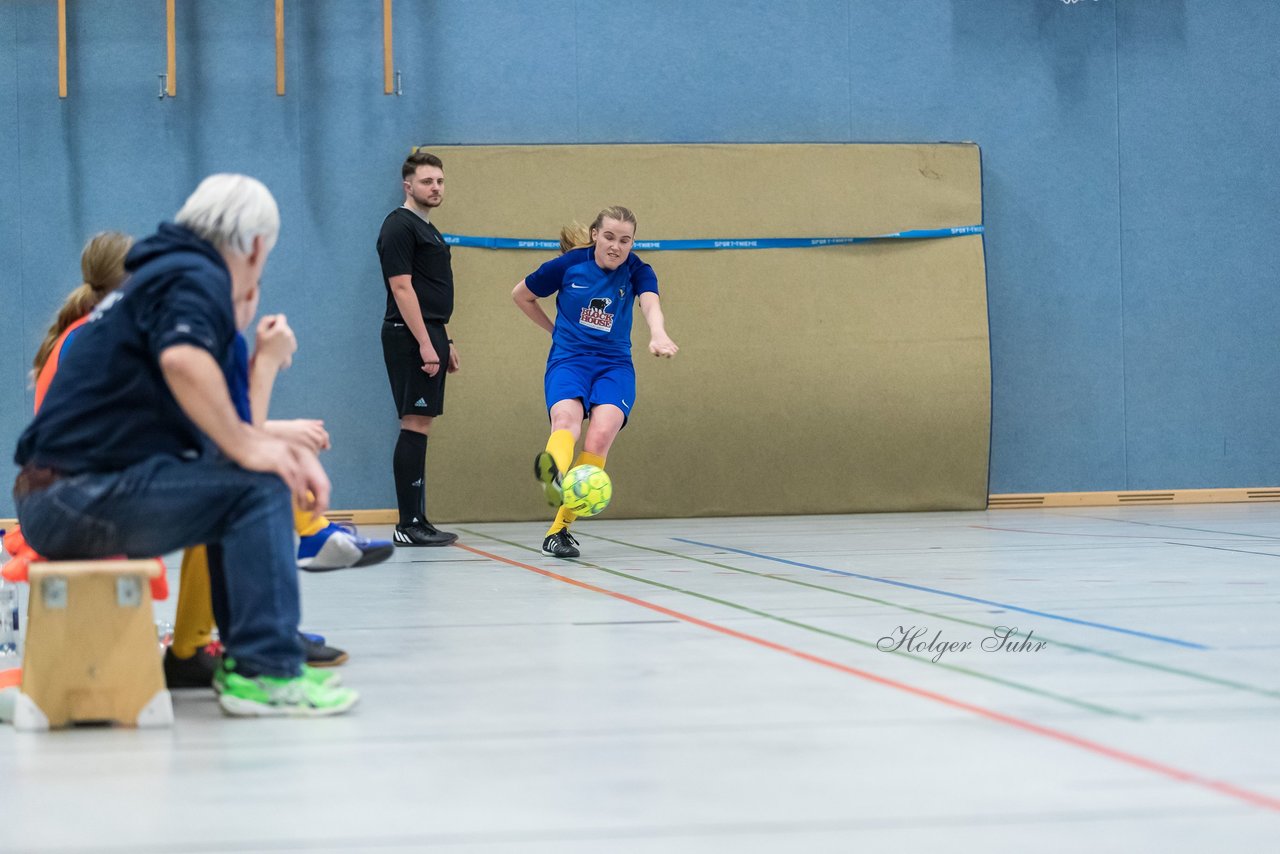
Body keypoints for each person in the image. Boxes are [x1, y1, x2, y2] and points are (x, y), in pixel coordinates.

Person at [13, 174, 359, 716]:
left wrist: (252, 424)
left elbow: (220, 429)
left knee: (242, 481)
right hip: (74, 499)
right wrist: (255, 448)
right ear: (256, 245)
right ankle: (264, 671)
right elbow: (184, 366)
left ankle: (249, 664)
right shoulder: (192, 274)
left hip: (60, 498)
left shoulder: (164, 277)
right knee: (258, 483)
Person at [511, 206, 679, 558]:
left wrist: (659, 334)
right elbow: (521, 295)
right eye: (609, 237)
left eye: (625, 240)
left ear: (632, 242)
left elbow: (650, 304)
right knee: (566, 421)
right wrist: (553, 330)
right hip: (569, 360)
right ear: (594, 235)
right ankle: (553, 471)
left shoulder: (638, 271)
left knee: (600, 436)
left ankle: (558, 531)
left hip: (614, 365)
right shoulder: (568, 265)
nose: (616, 246)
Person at [377, 149, 460, 547]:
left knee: (421, 424)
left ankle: (417, 518)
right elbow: (402, 287)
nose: (436, 187)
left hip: (431, 332)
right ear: (408, 186)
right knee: (414, 421)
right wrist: (427, 344)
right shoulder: (399, 226)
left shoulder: (429, 228)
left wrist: (446, 341)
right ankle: (407, 524)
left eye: (440, 181)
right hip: (410, 335)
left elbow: (431, 291)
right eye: (428, 181)